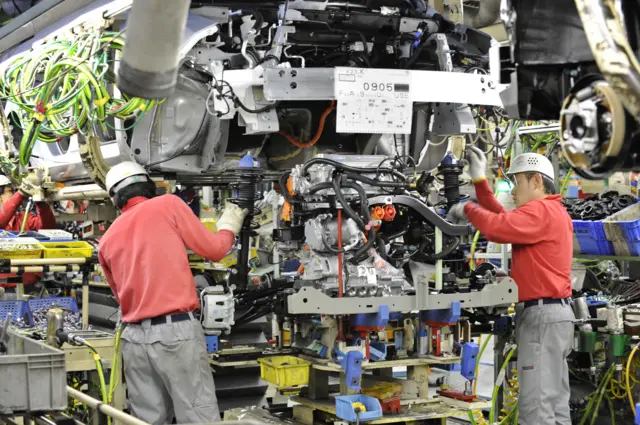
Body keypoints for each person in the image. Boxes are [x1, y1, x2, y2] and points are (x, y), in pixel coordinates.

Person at [98, 162, 248, 425]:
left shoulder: (107, 239)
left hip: (133, 340)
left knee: (147, 421)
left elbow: (120, 295)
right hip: (174, 334)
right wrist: (229, 226)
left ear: (115, 197)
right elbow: (214, 250)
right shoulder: (168, 205)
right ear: (147, 184)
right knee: (198, 417)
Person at [448, 147, 575, 425]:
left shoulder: (541, 211)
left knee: (537, 407)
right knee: (554, 404)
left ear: (537, 181)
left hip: (541, 317)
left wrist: (467, 209)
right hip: (553, 316)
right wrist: (480, 181)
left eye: (518, 182)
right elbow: (503, 220)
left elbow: (497, 228)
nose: (514, 191)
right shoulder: (550, 211)